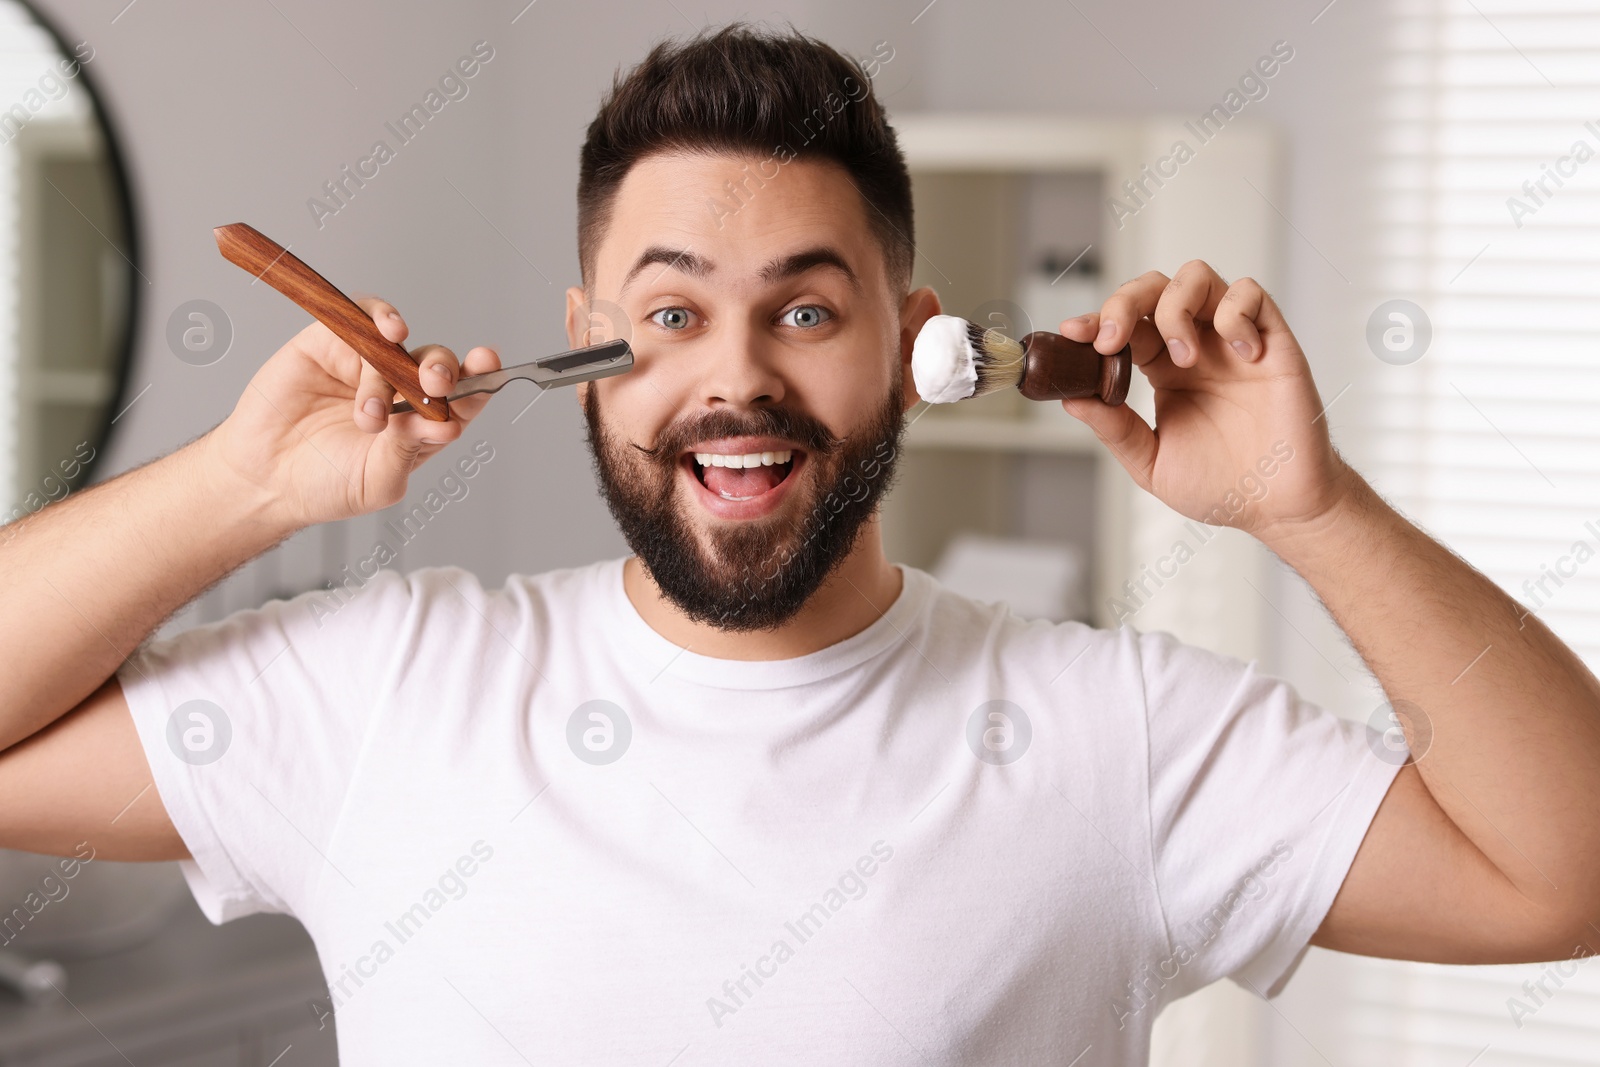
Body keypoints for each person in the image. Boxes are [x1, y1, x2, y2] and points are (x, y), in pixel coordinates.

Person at [2, 22, 1596, 1067]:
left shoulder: (1122, 735)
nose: (739, 376)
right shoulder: (388, 689)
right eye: (673, 312)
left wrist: (1310, 509)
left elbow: (1563, 879)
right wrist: (241, 487)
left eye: (808, 310)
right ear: (584, 340)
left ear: (906, 337)